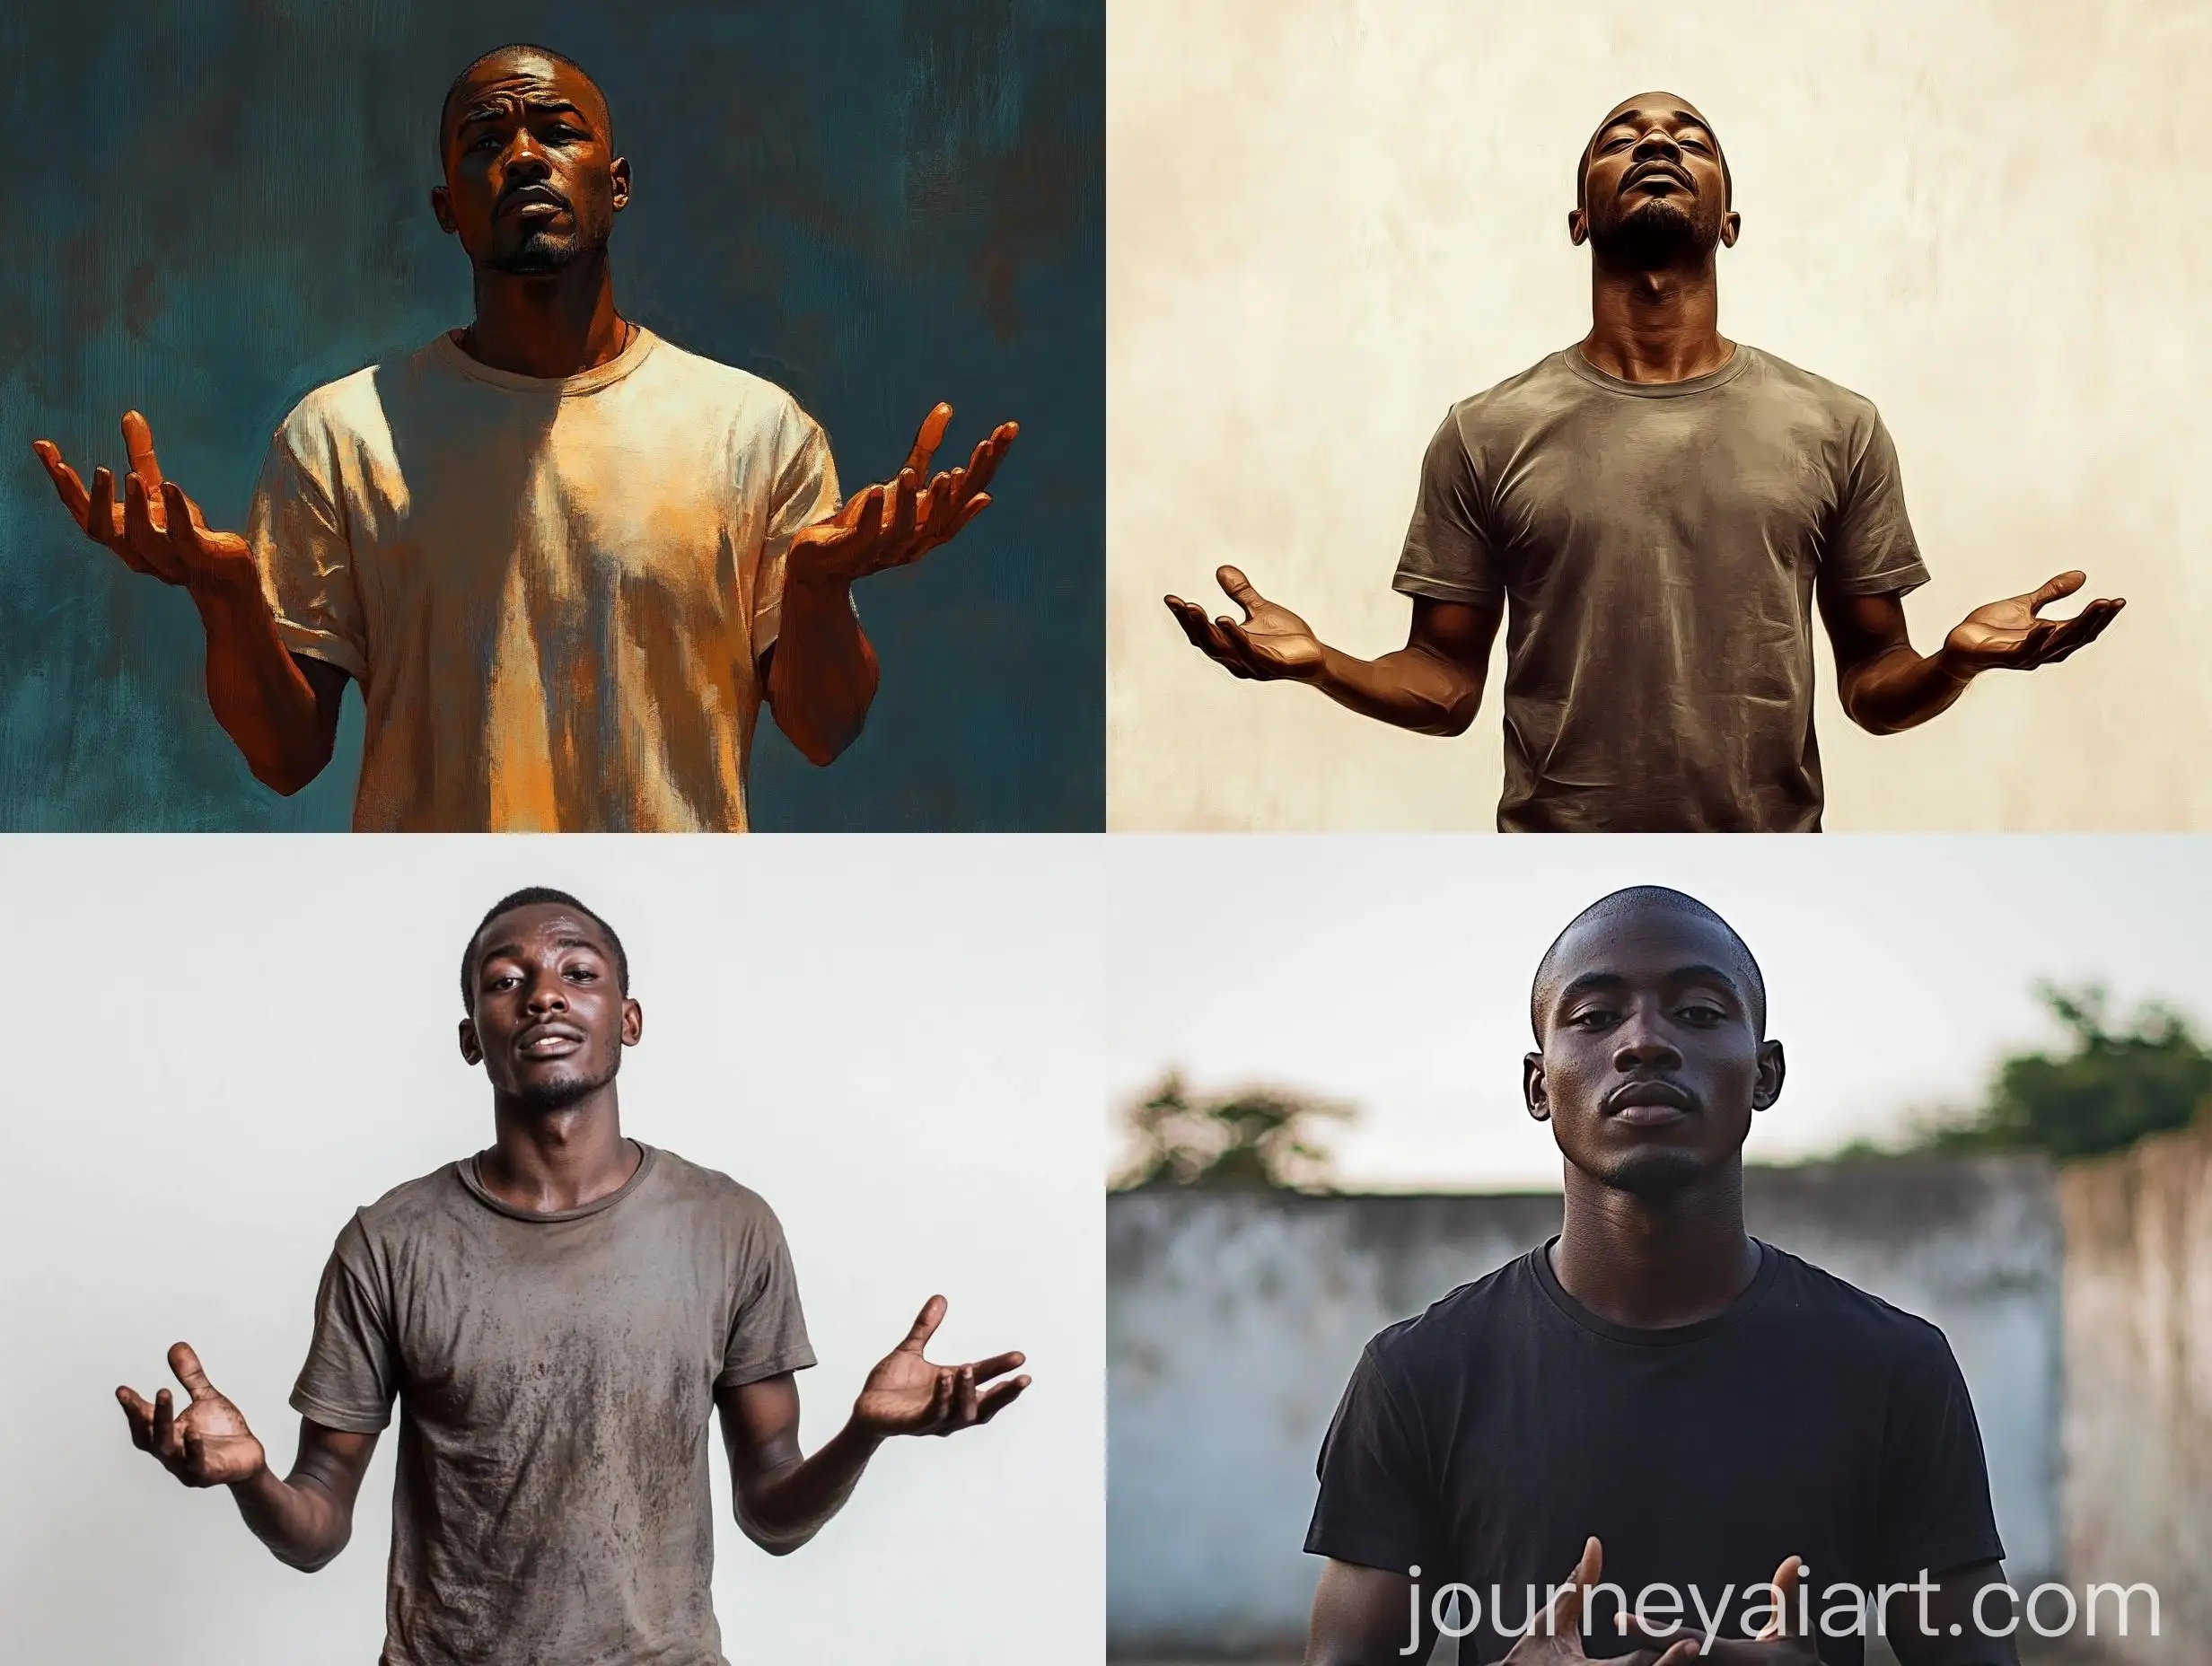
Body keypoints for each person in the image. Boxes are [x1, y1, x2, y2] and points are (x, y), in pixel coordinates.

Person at [33, 44, 1017, 830]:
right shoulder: (343, 434)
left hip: (674, 918)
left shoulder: (752, 431)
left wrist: (817, 583)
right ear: (445, 210)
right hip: (433, 924)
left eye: (557, 131)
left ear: (614, 182)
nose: (522, 157)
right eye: (483, 141)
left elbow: (824, 724)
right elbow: (287, 758)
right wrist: (225, 596)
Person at [116, 886, 1030, 1665]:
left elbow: (773, 1513)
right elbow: (315, 1528)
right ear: (474, 1035)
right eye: (507, 980)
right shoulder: (390, 1241)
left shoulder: (728, 1226)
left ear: (628, 1019)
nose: (543, 994)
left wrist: (863, 1434)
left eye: (578, 972)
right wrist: (246, 1478)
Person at [1164, 92, 2120, 833]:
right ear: (1578, 218)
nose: (1657, 143)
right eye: (1620, 137)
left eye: (1690, 138)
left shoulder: (1837, 424)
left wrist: (1953, 662)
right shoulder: (1485, 430)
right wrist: (1320, 664)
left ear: (1730, 222)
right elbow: (1444, 683)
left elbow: (1873, 684)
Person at [1302, 887, 2019, 1665]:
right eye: (1596, 1016)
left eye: (1701, 1012)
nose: (1644, 1041)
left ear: (1765, 1075)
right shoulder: (1418, 1375)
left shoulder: (1896, 1369)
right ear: (1539, 1086)